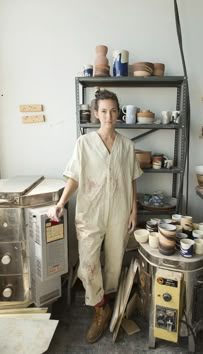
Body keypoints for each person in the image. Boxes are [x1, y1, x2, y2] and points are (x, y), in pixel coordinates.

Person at [47, 89, 143, 344]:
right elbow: (74, 177)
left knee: (114, 261)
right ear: (95, 114)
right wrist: (60, 202)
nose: (109, 115)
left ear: (118, 112)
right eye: (103, 111)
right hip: (90, 212)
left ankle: (106, 303)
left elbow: (132, 180)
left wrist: (134, 210)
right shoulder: (84, 144)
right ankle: (99, 307)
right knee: (88, 264)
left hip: (120, 212)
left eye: (113, 110)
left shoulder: (127, 146)